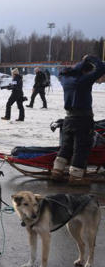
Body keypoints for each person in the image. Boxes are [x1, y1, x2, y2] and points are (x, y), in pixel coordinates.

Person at [52, 55, 105, 185]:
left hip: (69, 118)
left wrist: (81, 63)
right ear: (85, 71)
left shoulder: (65, 78)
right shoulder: (84, 80)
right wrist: (89, 58)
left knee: (66, 146)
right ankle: (75, 177)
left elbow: (64, 72)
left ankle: (57, 171)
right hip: (83, 119)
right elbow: (102, 68)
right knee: (81, 147)